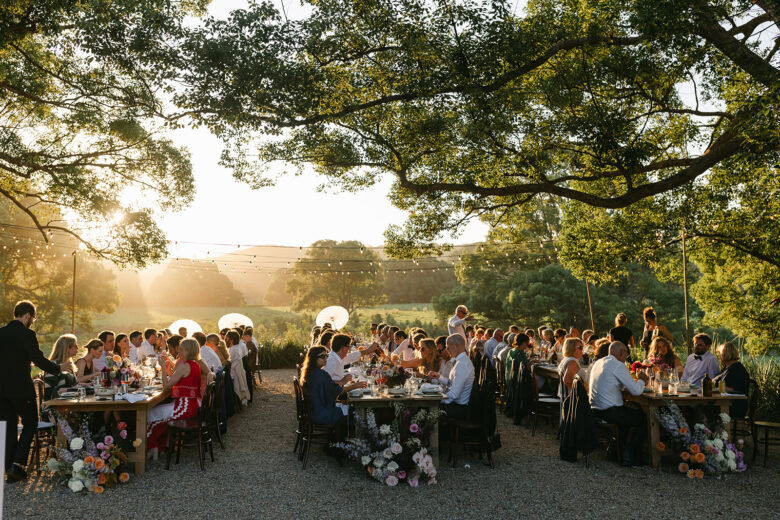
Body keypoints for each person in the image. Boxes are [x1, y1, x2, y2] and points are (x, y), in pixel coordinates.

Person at [0, 301, 63, 482]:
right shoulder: (27, 334)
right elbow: (38, 359)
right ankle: (18, 463)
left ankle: (10, 470)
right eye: (33, 319)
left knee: (9, 427)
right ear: (27, 315)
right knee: (30, 424)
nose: (32, 322)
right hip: (21, 389)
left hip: (1, 392)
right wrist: (58, 368)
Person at [146, 338, 213, 459]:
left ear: (188, 350)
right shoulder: (196, 364)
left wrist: (162, 367)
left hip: (184, 407)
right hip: (192, 405)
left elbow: (166, 386)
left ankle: (154, 447)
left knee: (150, 414)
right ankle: (157, 448)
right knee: (154, 413)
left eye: (181, 349)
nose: (179, 352)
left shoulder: (185, 366)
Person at [589, 341, 649, 466]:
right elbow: (637, 391)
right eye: (626, 354)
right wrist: (642, 380)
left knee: (629, 415)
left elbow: (618, 384)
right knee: (643, 419)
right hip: (610, 411)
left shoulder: (599, 362)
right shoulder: (617, 365)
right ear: (622, 353)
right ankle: (631, 455)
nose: (626, 358)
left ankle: (615, 451)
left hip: (595, 409)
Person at [300, 346, 365, 427]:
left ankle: (341, 436)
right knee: (355, 410)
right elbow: (337, 391)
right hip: (322, 414)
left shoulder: (311, 372)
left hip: (313, 411)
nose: (326, 358)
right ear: (313, 358)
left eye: (326, 356)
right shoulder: (321, 374)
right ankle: (345, 436)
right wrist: (355, 386)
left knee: (347, 407)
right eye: (322, 356)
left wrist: (342, 382)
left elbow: (328, 388)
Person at [438, 334, 474, 420]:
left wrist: (436, 400)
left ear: (455, 346)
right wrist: (439, 377)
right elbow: (452, 384)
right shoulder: (460, 361)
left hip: (459, 408)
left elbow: (454, 395)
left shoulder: (462, 364)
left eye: (447, 347)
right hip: (456, 405)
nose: (447, 350)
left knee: (426, 409)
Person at [712, 342, 749, 418]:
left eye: (720, 354)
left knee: (700, 408)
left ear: (725, 354)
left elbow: (732, 389)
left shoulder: (737, 369)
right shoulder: (727, 367)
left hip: (732, 405)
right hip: (722, 402)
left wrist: (713, 388)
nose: (719, 356)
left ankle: (704, 429)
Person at [45, 334, 79, 399]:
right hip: (55, 406)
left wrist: (87, 385)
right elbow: (49, 392)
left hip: (68, 403)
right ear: (66, 348)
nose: (77, 348)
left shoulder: (69, 365)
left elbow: (74, 386)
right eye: (75, 346)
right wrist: (69, 390)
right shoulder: (53, 366)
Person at [225, 330, 250, 404]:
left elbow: (227, 364)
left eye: (226, 339)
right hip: (239, 373)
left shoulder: (232, 350)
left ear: (231, 340)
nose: (225, 340)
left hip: (233, 375)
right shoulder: (237, 347)